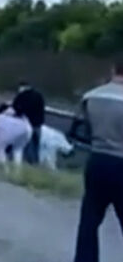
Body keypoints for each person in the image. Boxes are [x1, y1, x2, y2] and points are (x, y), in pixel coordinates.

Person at [73, 61, 123, 262]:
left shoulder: (91, 96)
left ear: (113, 70)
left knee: (89, 221)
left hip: (97, 160)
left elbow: (79, 131)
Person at [12, 80, 45, 165]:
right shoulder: (39, 95)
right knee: (36, 146)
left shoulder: (22, 96)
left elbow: (16, 108)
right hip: (38, 125)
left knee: (27, 145)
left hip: (26, 125)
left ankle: (28, 163)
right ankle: (36, 163)